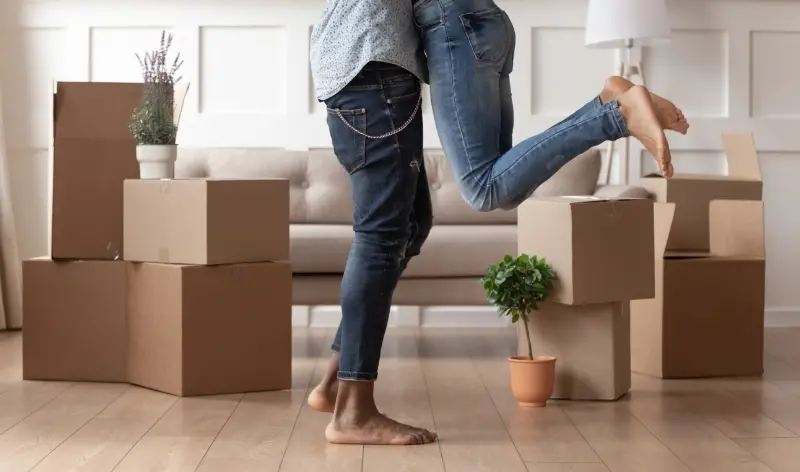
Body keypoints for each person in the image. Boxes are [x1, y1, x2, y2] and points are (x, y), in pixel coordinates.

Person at [413, 0, 689, 211]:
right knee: (507, 186)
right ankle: (607, 103)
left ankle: (618, 115)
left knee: (483, 190)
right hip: (480, 21)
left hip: (451, 28)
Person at [309, 0, 439, 446]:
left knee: (411, 225)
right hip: (373, 66)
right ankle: (352, 414)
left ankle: (334, 384)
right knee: (381, 239)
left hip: (366, 66)